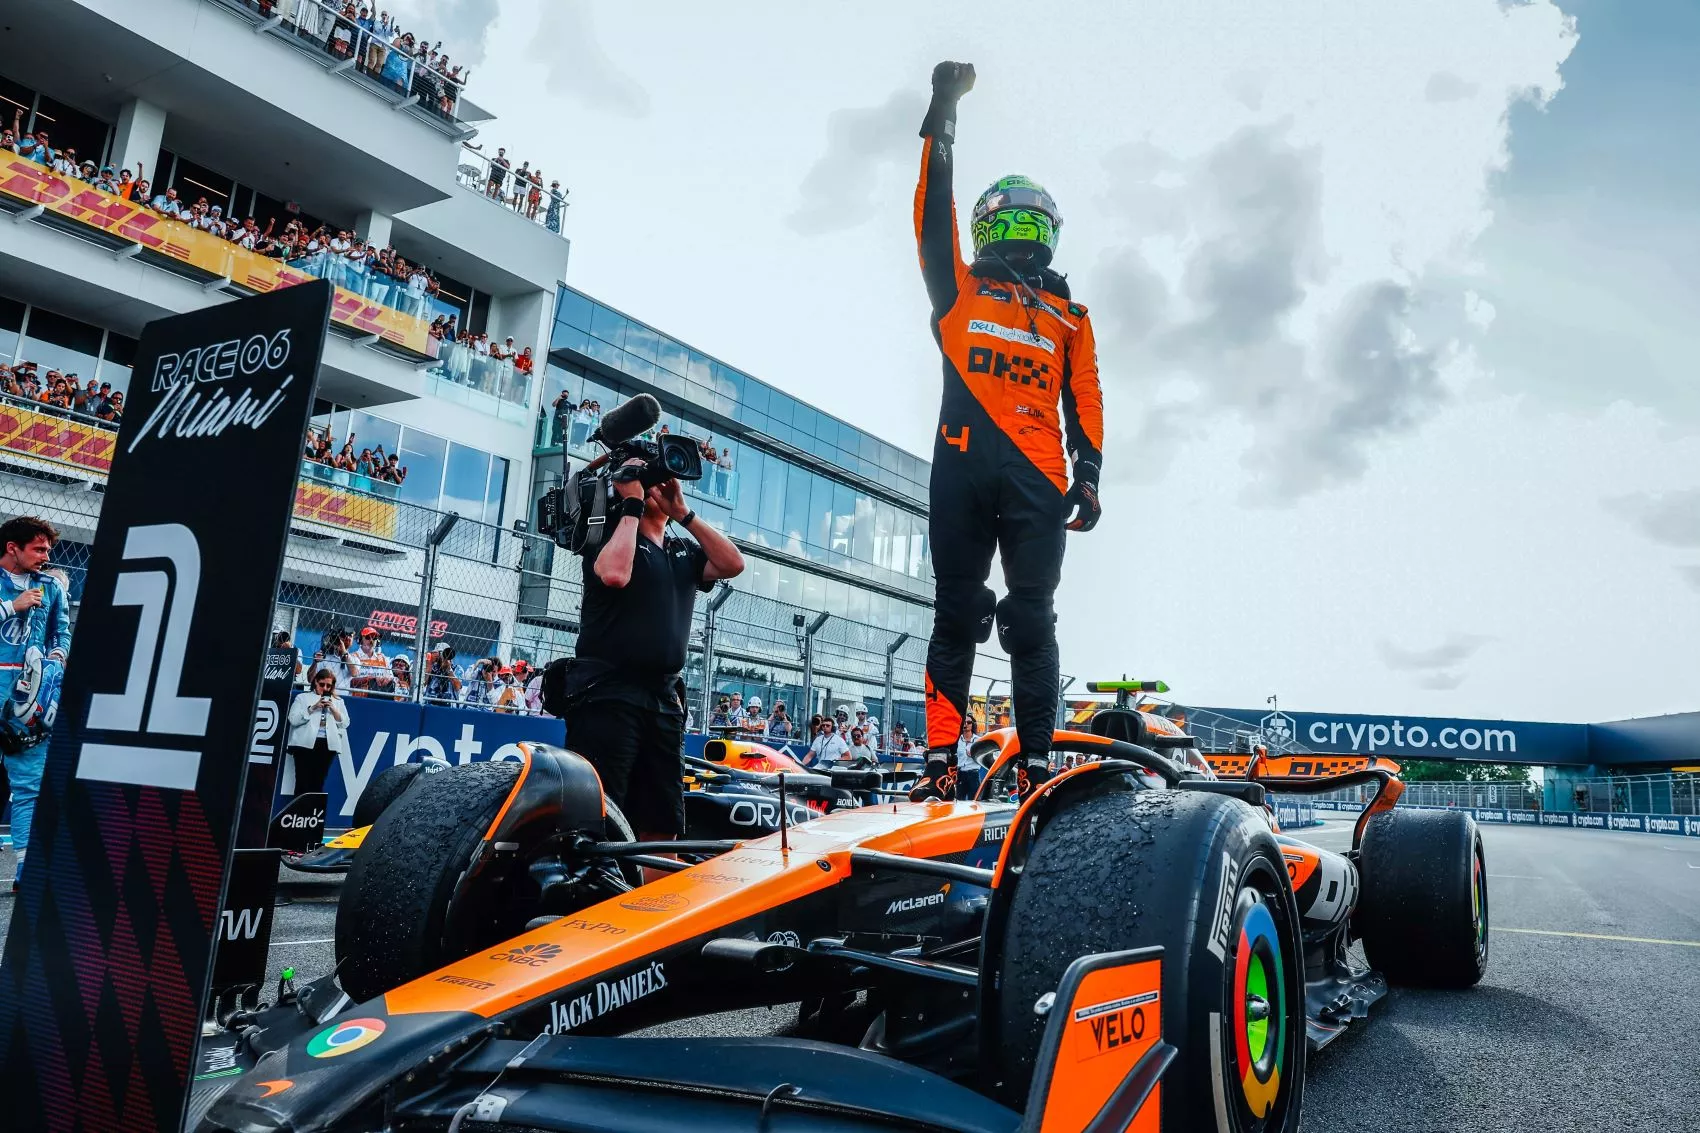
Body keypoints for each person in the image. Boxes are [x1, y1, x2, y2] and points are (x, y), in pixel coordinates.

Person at [912, 61, 1104, 801]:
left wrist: (1090, 473)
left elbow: (1085, 395)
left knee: (1028, 618)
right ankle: (940, 761)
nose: (1024, 230)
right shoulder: (958, 287)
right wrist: (943, 111)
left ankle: (1035, 762)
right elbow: (931, 213)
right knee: (961, 609)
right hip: (969, 469)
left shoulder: (1071, 316)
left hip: (1033, 476)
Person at [556, 446, 744, 849]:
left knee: (663, 821)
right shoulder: (609, 537)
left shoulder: (683, 551)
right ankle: (599, 886)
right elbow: (614, 574)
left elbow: (733, 564)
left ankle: (656, 890)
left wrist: (683, 513)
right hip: (608, 693)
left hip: (664, 700)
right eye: (646, 478)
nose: (656, 485)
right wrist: (631, 505)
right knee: (602, 814)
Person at [0, 516, 71, 890]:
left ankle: (25, 872)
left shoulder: (51, 587)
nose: (46, 556)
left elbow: (62, 632)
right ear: (12, 548)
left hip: (29, 696)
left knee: (29, 785)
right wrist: (12, 606)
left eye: (48, 549)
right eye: (38, 549)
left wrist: (56, 658)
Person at [285, 668, 350, 800]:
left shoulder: (338, 701)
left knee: (318, 782)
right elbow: (293, 719)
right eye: (322, 684)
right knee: (302, 782)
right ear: (315, 682)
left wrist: (333, 709)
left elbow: (345, 723)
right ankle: (299, 811)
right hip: (305, 744)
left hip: (327, 745)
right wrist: (313, 708)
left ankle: (312, 812)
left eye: (328, 686)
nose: (325, 688)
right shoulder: (302, 698)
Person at [953, 716, 982, 801]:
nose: (966, 724)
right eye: (964, 722)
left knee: (973, 801)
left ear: (973, 725)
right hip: (960, 773)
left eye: (969, 722)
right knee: (958, 800)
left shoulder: (978, 740)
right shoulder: (957, 740)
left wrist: (974, 755)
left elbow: (983, 757)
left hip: (973, 773)